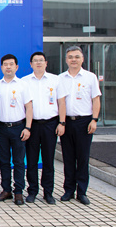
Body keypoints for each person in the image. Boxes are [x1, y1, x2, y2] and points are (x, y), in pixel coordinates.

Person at [22, 51, 67, 205]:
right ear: (31, 64)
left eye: (41, 60)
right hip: (32, 125)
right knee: (32, 160)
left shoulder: (55, 80)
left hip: (50, 124)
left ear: (46, 63)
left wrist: (62, 123)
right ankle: (32, 191)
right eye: (35, 60)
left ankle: (48, 192)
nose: (38, 63)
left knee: (48, 160)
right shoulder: (25, 81)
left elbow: (61, 102)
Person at [59, 46, 101, 205]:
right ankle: (69, 190)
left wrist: (94, 120)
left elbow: (96, 99)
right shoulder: (60, 78)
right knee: (68, 157)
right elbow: (60, 102)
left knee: (82, 158)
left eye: (77, 57)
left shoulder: (90, 77)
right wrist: (61, 122)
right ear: (66, 60)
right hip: (67, 122)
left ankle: (82, 192)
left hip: (85, 122)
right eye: (70, 57)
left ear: (82, 59)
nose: (73, 60)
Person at [0, 54, 33, 206]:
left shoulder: (23, 85)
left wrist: (28, 127)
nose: (8, 67)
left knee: (18, 161)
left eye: (11, 64)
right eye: (5, 64)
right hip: (1, 127)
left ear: (16, 67)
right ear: (1, 67)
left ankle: (18, 192)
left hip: (19, 127)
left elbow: (29, 107)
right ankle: (6, 190)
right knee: (3, 161)